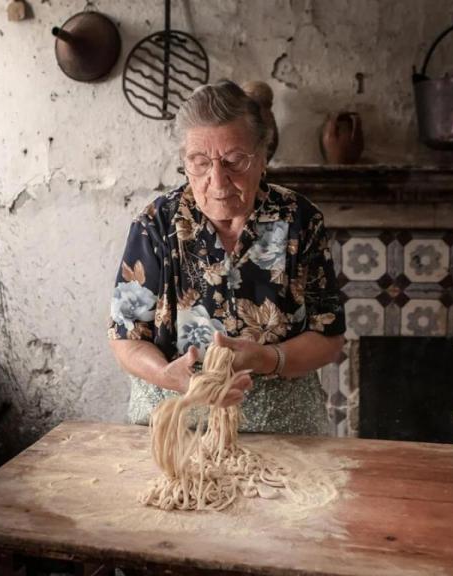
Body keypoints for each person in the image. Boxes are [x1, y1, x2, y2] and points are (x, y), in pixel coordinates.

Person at [107, 80, 346, 435]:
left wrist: (269, 359)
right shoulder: (156, 223)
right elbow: (126, 336)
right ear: (185, 162)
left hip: (283, 425)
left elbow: (329, 337)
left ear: (262, 157)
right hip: (176, 418)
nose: (217, 182)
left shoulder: (299, 220)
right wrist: (167, 375)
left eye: (234, 161)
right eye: (200, 163)